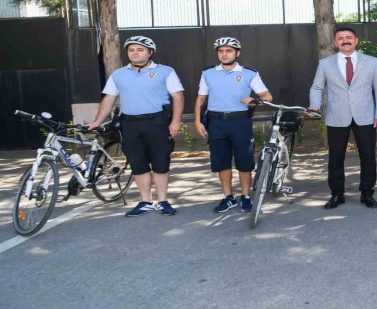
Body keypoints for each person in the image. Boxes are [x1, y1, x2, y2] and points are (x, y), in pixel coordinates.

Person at [87, 36, 184, 216]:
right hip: (129, 124)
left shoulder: (165, 71)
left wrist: (175, 122)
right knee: (137, 163)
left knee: (160, 162)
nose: (135, 53)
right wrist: (97, 121)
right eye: (131, 50)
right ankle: (145, 201)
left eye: (140, 50)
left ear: (150, 52)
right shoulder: (118, 74)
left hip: (157, 122)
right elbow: (109, 98)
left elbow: (178, 97)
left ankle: (163, 201)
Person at [309, 27, 377, 209]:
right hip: (337, 116)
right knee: (336, 158)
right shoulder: (325, 64)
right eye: (340, 38)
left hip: (366, 116)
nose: (345, 41)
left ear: (356, 40)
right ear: (335, 42)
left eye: (349, 37)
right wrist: (314, 105)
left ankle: (367, 193)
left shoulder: (372, 62)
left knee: (368, 157)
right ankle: (337, 194)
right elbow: (317, 87)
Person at [194, 37, 273, 213]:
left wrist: (255, 100)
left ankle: (245, 196)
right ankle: (228, 197)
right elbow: (201, 99)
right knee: (221, 161)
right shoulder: (208, 73)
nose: (224, 54)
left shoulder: (249, 73)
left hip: (240, 122)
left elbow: (267, 96)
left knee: (244, 160)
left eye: (228, 51)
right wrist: (198, 121)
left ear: (237, 53)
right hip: (216, 123)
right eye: (221, 51)